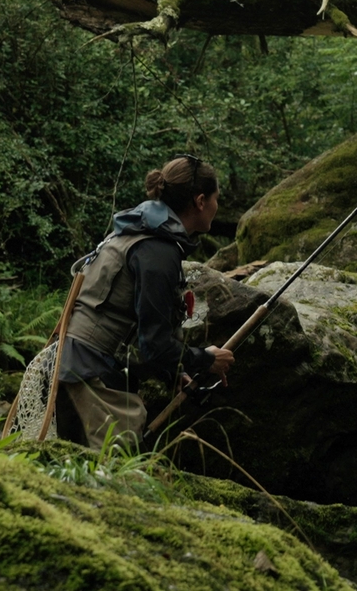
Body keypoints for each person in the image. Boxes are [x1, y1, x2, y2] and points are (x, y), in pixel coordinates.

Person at [56, 155, 234, 449]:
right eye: (216, 198)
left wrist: (174, 372)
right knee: (113, 476)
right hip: (88, 377)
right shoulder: (158, 252)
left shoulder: (137, 233)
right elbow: (154, 343)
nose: (217, 206)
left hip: (74, 365)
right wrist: (207, 359)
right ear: (201, 201)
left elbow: (137, 327)